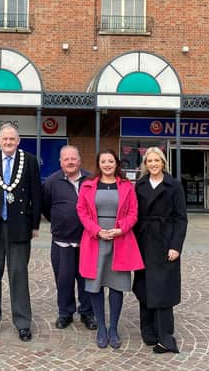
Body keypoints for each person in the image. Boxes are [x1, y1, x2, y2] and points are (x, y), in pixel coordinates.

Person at [0, 123, 42, 342]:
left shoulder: (30, 161)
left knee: (18, 275)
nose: (8, 143)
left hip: (19, 227)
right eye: (4, 139)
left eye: (12, 139)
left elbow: (36, 194)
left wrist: (34, 225)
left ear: (18, 140)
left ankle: (23, 323)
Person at [76, 148, 143, 349]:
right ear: (99, 164)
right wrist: (96, 230)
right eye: (103, 161)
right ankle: (102, 328)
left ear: (116, 164)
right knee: (95, 286)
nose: (107, 165)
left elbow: (133, 212)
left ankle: (113, 328)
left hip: (119, 240)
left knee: (116, 286)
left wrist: (120, 229)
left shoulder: (127, 186)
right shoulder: (88, 185)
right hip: (95, 240)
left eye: (111, 161)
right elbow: (81, 211)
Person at [133, 147, 187, 354]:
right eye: (149, 161)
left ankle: (166, 336)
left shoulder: (173, 185)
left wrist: (176, 246)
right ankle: (148, 333)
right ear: (145, 164)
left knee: (164, 289)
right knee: (144, 286)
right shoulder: (140, 185)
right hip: (143, 240)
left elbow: (181, 218)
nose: (153, 164)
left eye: (157, 160)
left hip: (165, 242)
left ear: (164, 162)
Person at [42, 145, 97, 331]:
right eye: (66, 159)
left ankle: (87, 313)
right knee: (63, 279)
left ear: (79, 160)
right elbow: (46, 207)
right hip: (61, 241)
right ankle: (65, 313)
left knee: (86, 279)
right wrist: (61, 221)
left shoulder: (91, 179)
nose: (70, 162)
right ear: (60, 162)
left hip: (87, 241)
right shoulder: (51, 181)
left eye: (73, 158)